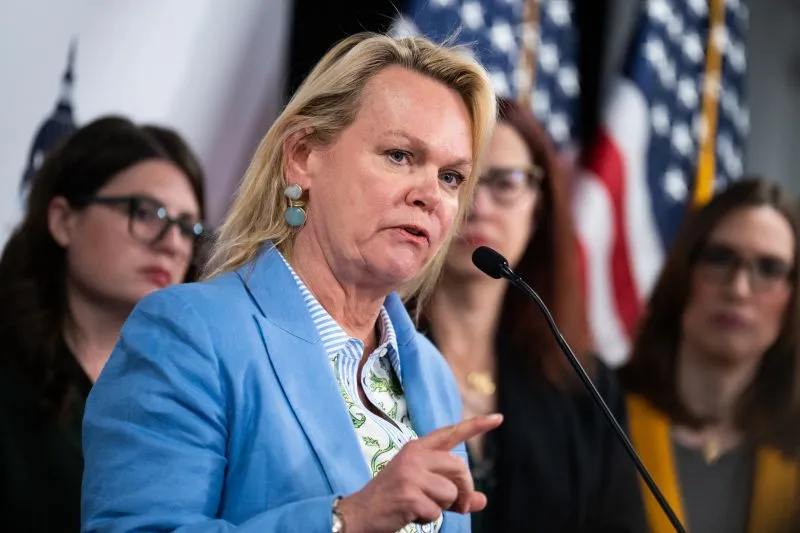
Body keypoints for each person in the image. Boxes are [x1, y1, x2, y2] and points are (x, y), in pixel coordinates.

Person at [80, 32, 500, 533]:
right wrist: (347, 520)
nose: (430, 194)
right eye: (399, 156)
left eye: (451, 177)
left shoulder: (429, 372)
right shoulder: (189, 334)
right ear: (303, 155)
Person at [414, 97, 646, 532]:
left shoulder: (585, 386)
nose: (478, 206)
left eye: (504, 183)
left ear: (538, 208)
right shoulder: (365, 351)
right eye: (456, 180)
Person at [0, 116, 207, 532]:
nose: (172, 243)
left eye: (188, 227)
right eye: (147, 212)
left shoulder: (188, 391)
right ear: (63, 220)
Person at [620, 177, 800, 533]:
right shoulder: (597, 414)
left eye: (769, 268)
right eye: (720, 258)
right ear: (684, 273)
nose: (738, 288)